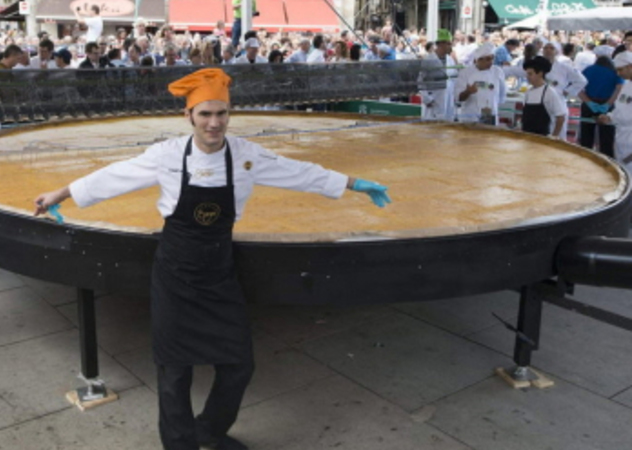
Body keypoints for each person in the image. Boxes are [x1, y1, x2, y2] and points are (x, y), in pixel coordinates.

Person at [32, 68, 391, 450]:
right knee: (174, 373)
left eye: (222, 113)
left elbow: (298, 172)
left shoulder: (246, 155)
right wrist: (60, 194)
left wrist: (353, 183)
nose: (214, 123)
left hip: (219, 275)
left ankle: (210, 431)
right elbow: (114, 176)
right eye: (205, 114)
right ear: (188, 115)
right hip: (175, 274)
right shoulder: (168, 155)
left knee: (239, 365)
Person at [578, 56, 624, 158]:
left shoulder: (588, 69)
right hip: (607, 104)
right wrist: (608, 104)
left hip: (588, 103)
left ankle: (584, 158)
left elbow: (577, 87)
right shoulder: (614, 71)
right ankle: (606, 160)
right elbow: (619, 88)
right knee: (607, 138)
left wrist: (589, 102)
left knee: (586, 136)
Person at [542, 41, 587, 140]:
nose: (548, 50)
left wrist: (567, 91)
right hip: (541, 104)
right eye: (546, 48)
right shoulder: (537, 66)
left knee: (558, 136)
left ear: (556, 51)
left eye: (551, 48)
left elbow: (581, 81)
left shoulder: (564, 67)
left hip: (558, 102)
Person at [454, 42, 506, 125]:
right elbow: (458, 98)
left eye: (492, 58)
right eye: (488, 59)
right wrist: (468, 92)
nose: (491, 62)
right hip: (470, 116)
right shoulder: (465, 73)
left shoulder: (498, 72)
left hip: (490, 115)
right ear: (478, 60)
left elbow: (501, 95)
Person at [598, 52, 632, 168]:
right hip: (621, 138)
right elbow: (620, 109)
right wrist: (609, 117)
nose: (619, 73)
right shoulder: (626, 86)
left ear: (630, 66)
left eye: (620, 70)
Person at [521, 56, 566, 138]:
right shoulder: (528, 92)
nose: (527, 77)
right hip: (526, 137)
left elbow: (560, 118)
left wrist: (554, 136)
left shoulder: (549, 92)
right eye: (527, 74)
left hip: (543, 138)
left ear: (540, 73)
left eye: (530, 74)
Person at [419, 29, 457, 122]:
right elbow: (420, 81)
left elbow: (454, 78)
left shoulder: (450, 60)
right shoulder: (429, 60)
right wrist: (427, 99)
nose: (450, 46)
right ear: (441, 44)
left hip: (448, 100)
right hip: (433, 101)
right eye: (448, 44)